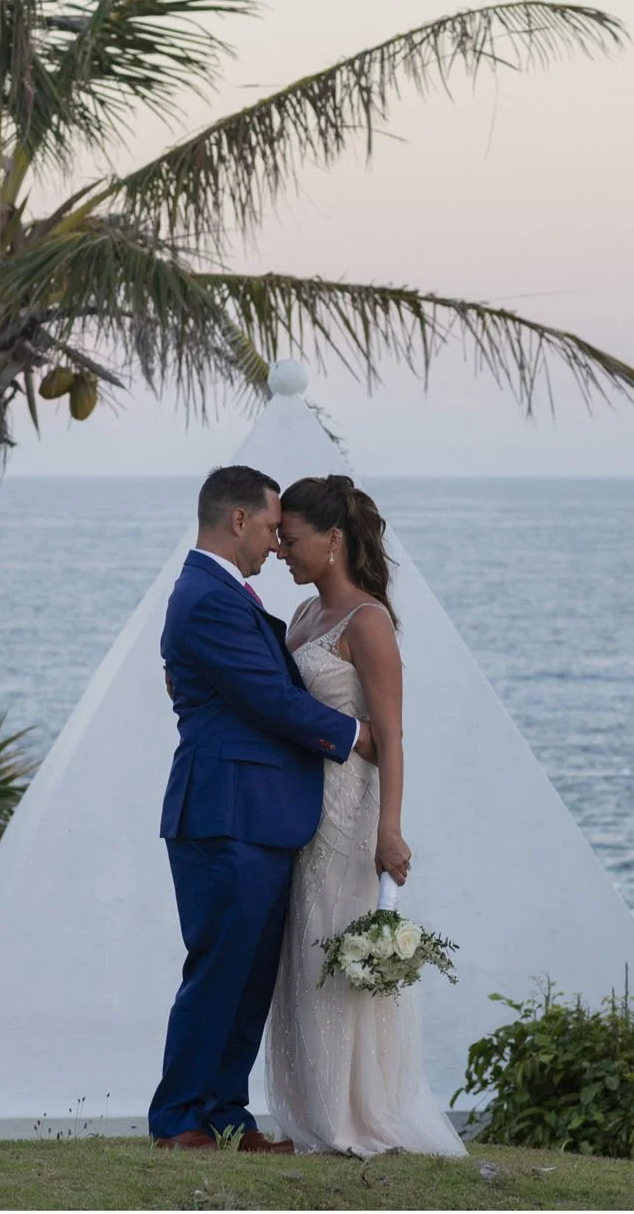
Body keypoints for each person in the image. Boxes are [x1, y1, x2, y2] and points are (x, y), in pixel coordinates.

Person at [149, 465, 378, 1153]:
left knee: (250, 975)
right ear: (239, 519)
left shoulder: (223, 595)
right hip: (226, 812)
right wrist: (354, 735)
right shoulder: (207, 595)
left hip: (260, 812)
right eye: (273, 526)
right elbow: (267, 698)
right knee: (220, 967)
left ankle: (226, 1115)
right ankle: (180, 1117)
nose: (277, 543)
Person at [261, 474, 467, 1158]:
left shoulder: (368, 621)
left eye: (291, 540)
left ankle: (355, 1116)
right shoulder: (300, 620)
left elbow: (392, 734)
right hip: (300, 807)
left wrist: (391, 828)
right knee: (301, 952)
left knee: (337, 947)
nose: (282, 551)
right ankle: (312, 1114)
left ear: (334, 540)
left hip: (351, 811)